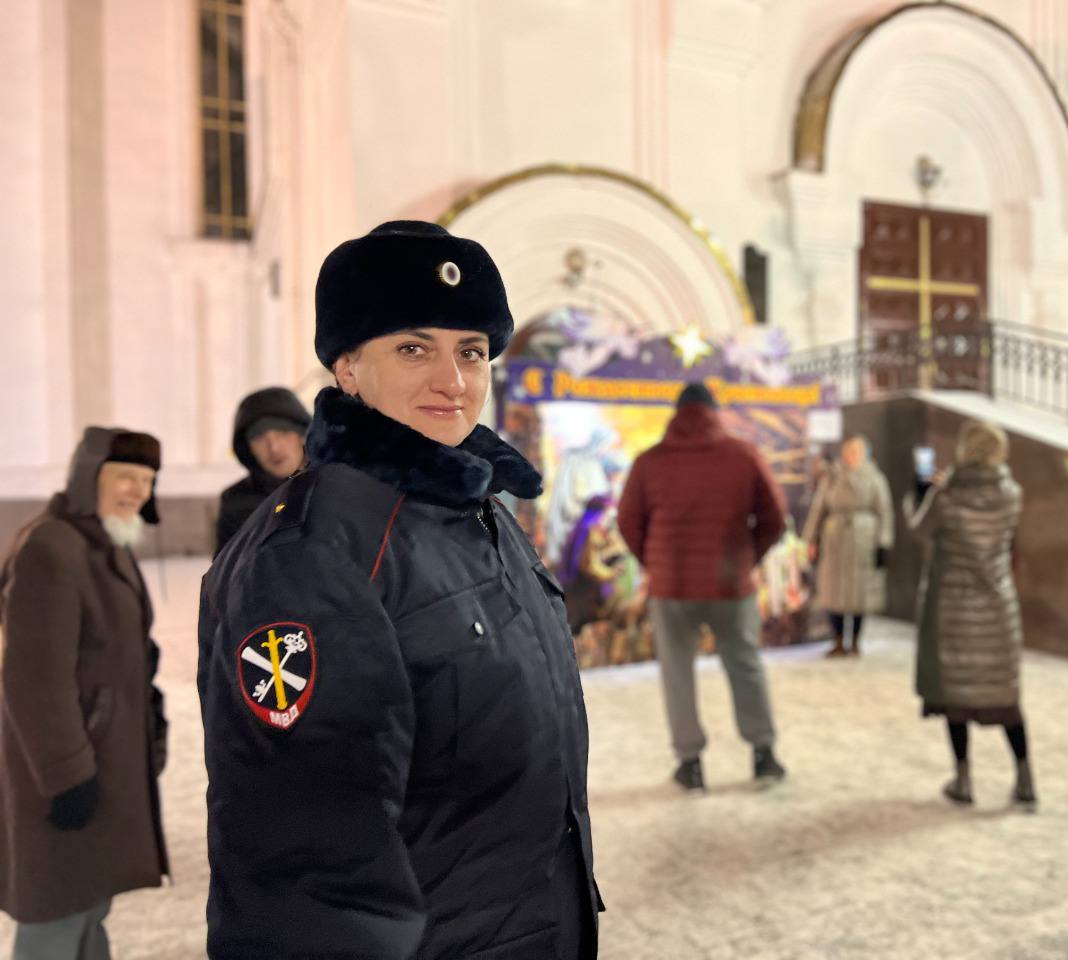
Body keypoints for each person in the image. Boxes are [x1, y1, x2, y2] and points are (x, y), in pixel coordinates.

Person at [198, 220, 602, 959]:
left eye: (470, 351)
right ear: (348, 368)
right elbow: (304, 860)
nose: (453, 380)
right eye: (414, 349)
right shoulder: (314, 553)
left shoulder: (477, 508)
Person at [0, 428, 169, 960]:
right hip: (64, 769)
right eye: (125, 476)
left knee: (90, 903)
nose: (138, 490)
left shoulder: (104, 543)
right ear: (87, 477)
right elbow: (34, 677)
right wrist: (65, 774)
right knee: (56, 909)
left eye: (147, 479)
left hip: (102, 756)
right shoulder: (52, 548)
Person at [617, 381, 788, 792]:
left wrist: (654, 562)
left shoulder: (649, 462)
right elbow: (775, 517)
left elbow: (627, 521)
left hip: (672, 586)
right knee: (745, 665)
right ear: (715, 412)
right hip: (731, 584)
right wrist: (748, 557)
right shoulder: (744, 455)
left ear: (676, 414)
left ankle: (690, 763)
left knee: (677, 672)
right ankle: (763, 755)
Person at [905, 419, 1036, 810]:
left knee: (955, 695)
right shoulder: (1012, 494)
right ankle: (1025, 778)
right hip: (998, 607)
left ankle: (963, 779)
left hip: (953, 608)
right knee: (1005, 695)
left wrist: (923, 492)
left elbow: (919, 530)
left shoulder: (947, 496)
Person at [802, 436, 893, 656]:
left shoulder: (875, 478)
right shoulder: (832, 477)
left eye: (856, 451)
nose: (852, 456)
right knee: (833, 592)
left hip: (863, 541)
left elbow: (885, 511)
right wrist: (811, 539)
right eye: (849, 451)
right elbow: (818, 510)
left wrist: (884, 543)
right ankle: (838, 639)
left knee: (859, 594)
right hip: (835, 542)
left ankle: (855, 640)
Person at [212, 386, 311, 555]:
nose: (273, 448)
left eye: (282, 433)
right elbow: (226, 567)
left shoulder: (333, 485)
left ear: (302, 435)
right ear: (248, 449)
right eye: (258, 438)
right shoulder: (236, 503)